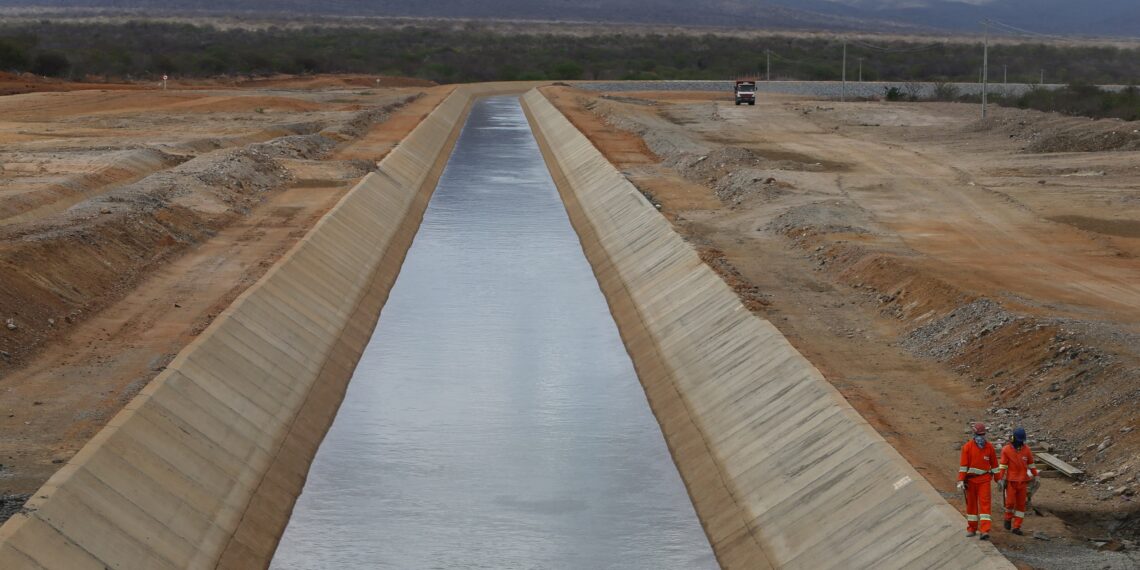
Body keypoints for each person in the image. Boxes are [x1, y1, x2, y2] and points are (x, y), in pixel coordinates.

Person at [957, 422, 999, 539]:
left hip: (984, 480)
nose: (981, 437)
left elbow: (995, 465)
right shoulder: (967, 448)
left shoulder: (989, 447)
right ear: (974, 435)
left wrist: (998, 479)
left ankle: (985, 530)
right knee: (971, 506)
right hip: (970, 482)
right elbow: (963, 466)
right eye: (979, 435)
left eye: (983, 435)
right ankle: (972, 528)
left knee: (985, 505)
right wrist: (961, 480)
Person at [997, 427, 1038, 535]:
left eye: (1022, 441)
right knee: (1010, 503)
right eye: (1019, 441)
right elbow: (1003, 465)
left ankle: (1017, 527)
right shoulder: (1006, 450)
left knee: (1020, 505)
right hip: (1011, 482)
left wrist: (1035, 475)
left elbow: (1031, 464)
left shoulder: (1027, 450)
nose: (1021, 443)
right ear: (1013, 438)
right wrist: (1000, 478)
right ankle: (1008, 518)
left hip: (1023, 482)